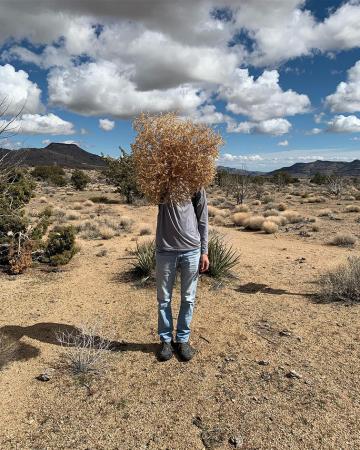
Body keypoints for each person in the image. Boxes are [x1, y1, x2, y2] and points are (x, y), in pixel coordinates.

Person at [155, 187, 209, 362]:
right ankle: (166, 341)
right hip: (165, 250)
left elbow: (203, 219)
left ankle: (183, 340)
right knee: (164, 299)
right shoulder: (160, 179)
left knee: (189, 298)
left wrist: (204, 251)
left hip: (192, 250)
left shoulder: (196, 182)